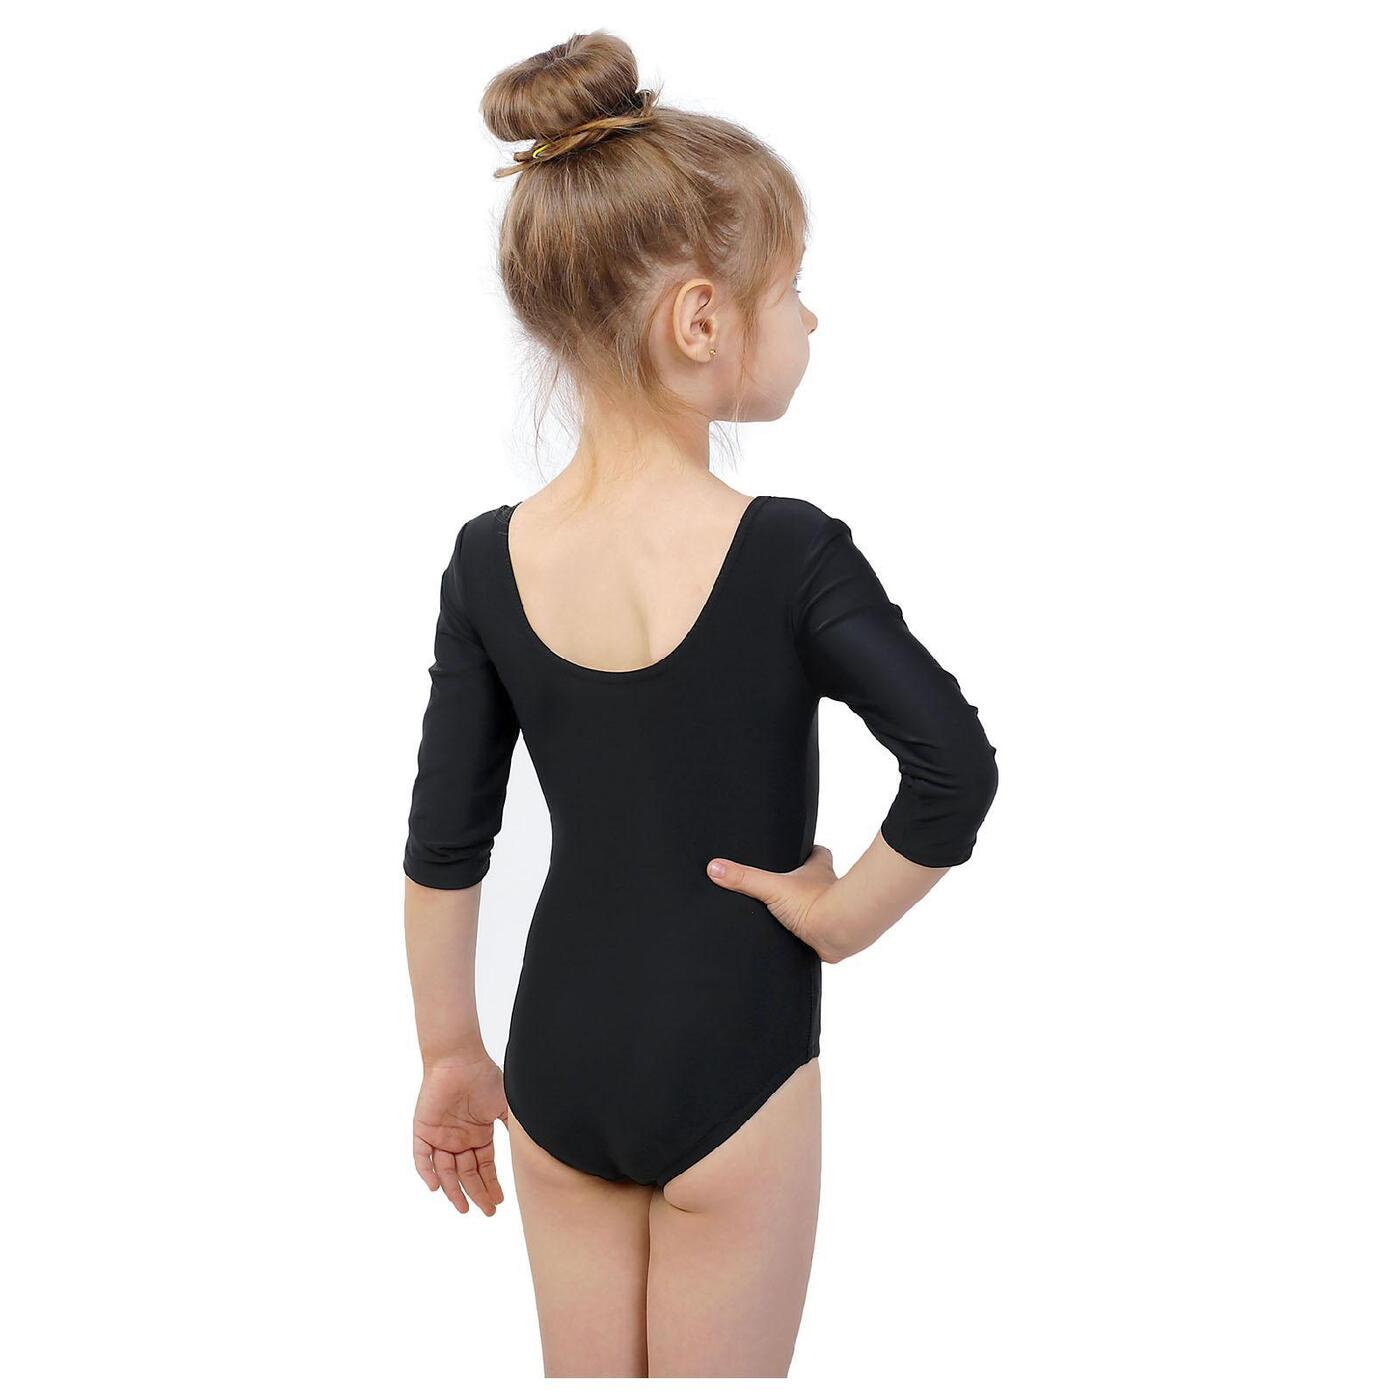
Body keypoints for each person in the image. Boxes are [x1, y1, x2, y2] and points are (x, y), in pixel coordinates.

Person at [402, 30, 1000, 1379]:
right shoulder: (788, 553)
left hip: (558, 1060)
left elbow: (445, 845)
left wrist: (450, 1053)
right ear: (700, 319)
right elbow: (954, 766)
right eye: (793, 290)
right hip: (736, 1057)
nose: (812, 321)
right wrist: (840, 918)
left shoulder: (490, 559)